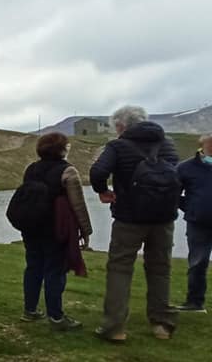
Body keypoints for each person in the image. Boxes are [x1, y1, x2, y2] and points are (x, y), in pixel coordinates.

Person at [90, 105, 179, 342]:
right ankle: (162, 324)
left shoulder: (118, 146)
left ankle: (115, 327)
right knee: (160, 268)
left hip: (129, 218)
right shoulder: (167, 144)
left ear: (121, 126)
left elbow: (98, 172)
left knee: (120, 268)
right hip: (164, 218)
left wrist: (103, 191)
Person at [12, 132, 92, 330]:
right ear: (62, 149)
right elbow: (78, 205)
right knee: (55, 271)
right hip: (56, 228)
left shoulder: (31, 169)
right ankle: (56, 316)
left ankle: (30, 311)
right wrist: (86, 230)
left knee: (33, 267)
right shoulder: (68, 171)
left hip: (31, 228)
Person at [176, 134, 212, 313]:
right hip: (199, 223)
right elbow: (173, 193)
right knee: (198, 262)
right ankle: (195, 302)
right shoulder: (185, 168)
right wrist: (191, 208)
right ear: (202, 146)